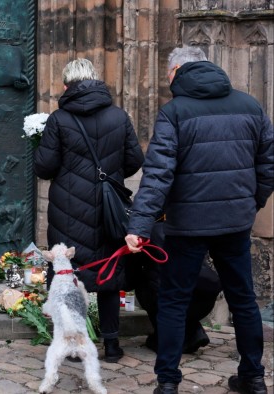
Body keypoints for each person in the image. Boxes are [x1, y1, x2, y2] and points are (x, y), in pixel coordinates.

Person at [125, 46, 273, 394]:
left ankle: (168, 383)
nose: (166, 79)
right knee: (244, 299)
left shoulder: (174, 112)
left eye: (167, 73)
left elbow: (158, 175)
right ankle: (253, 377)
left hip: (187, 225)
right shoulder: (249, 105)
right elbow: (267, 166)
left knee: (175, 300)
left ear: (176, 71)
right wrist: (250, 204)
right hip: (234, 222)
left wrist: (139, 227)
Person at [33, 58, 145, 363]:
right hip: (108, 209)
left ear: (68, 85)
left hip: (69, 211)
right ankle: (111, 345)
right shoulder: (118, 116)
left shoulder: (59, 119)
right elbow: (135, 159)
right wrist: (110, 174)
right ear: (95, 80)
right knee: (109, 270)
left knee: (71, 275)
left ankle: (73, 344)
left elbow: (44, 167)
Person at [131, 220, 222, 354]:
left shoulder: (149, 232)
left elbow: (134, 269)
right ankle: (194, 332)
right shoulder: (193, 226)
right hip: (202, 296)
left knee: (149, 288)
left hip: (168, 297)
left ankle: (164, 341)